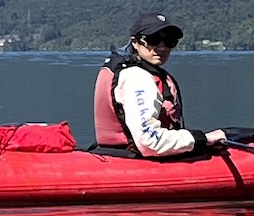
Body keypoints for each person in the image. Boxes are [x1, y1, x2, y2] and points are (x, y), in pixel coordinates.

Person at [91, 11, 229, 159]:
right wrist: (202, 138)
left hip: (116, 154)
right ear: (135, 43)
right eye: (154, 39)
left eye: (169, 41)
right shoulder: (136, 78)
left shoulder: (134, 72)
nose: (162, 48)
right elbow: (150, 142)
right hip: (134, 158)